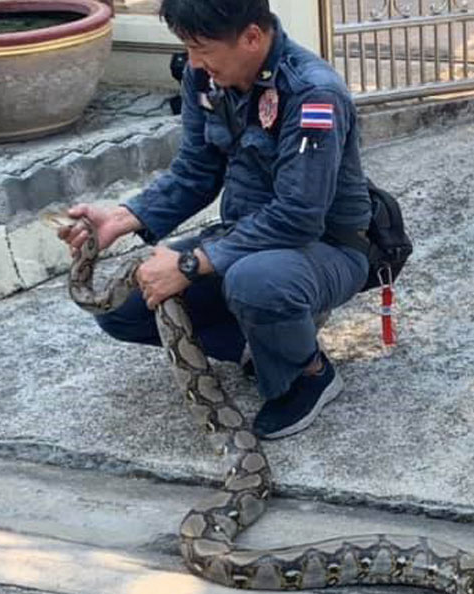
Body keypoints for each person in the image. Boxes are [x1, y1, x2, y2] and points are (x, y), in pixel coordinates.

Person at [57, 0, 371, 439]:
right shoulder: (204, 79)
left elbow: (299, 216)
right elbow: (195, 172)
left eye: (203, 48)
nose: (195, 62)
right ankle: (259, 344)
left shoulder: (313, 94)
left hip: (327, 247)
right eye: (187, 47)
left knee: (254, 281)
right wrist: (124, 217)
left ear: (252, 38)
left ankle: (308, 375)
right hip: (243, 238)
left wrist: (190, 264)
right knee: (123, 307)